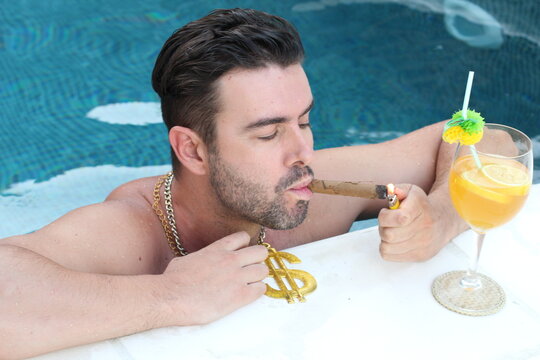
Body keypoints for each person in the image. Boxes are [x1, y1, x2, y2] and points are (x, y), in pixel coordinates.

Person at [0, 8, 466, 359]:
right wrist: (170, 298)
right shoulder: (131, 233)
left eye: (304, 121)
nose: (302, 151)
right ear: (193, 150)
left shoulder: (313, 187)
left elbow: (477, 135)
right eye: (268, 133)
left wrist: (444, 215)